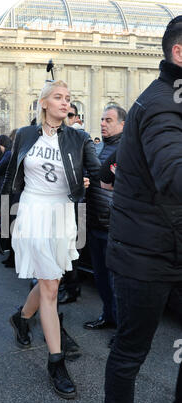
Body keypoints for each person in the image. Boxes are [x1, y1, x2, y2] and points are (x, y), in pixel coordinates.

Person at [102, 16, 182, 403]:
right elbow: (174, 174)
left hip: (174, 248)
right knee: (131, 352)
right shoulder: (162, 104)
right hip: (144, 255)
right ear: (179, 53)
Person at [0, 80, 100, 399]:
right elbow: (8, 176)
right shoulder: (25, 135)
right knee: (50, 286)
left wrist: (85, 178)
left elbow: (96, 173)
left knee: (50, 280)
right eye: (58, 97)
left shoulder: (78, 137)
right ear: (43, 103)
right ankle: (56, 363)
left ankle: (22, 317)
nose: (64, 102)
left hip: (62, 213)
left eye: (68, 98)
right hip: (33, 210)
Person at [83, 105, 126, 334]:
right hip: (93, 223)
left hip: (115, 227)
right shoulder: (97, 147)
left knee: (116, 282)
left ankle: (122, 330)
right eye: (101, 119)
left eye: (108, 120)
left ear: (122, 124)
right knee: (100, 278)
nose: (103, 123)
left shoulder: (128, 150)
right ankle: (108, 316)